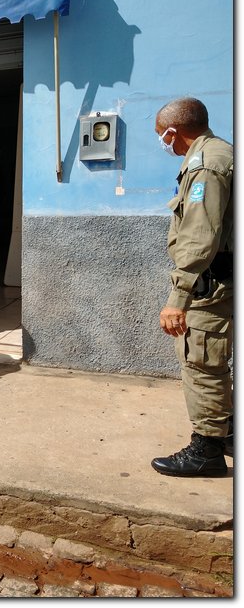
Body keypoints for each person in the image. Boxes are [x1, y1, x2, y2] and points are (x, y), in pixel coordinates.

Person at [150, 97, 234, 477]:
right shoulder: (222, 153)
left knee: (202, 362)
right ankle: (228, 432)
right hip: (225, 277)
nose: (163, 144)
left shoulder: (205, 166)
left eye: (162, 136)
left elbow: (201, 237)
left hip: (212, 283)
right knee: (215, 360)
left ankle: (207, 450)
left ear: (175, 132)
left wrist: (177, 297)